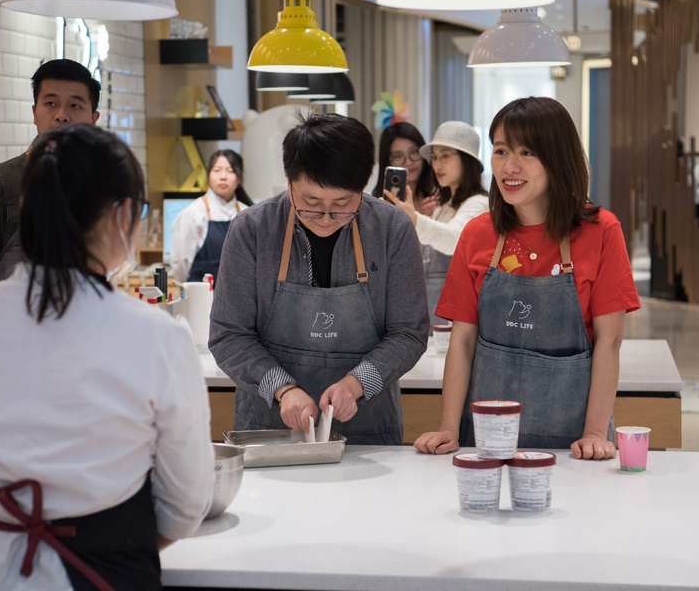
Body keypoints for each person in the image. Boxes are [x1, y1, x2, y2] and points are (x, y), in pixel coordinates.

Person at [0, 124, 214, 590]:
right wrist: (103, 540)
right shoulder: (156, 335)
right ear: (123, 214)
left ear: (26, 208)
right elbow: (185, 504)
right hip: (108, 571)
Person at [414, 97, 640, 460]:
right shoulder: (477, 234)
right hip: (486, 442)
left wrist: (595, 433)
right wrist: (449, 428)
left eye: (527, 152)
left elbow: (609, 342)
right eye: (501, 151)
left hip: (575, 445)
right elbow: (463, 341)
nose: (509, 166)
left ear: (558, 159)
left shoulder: (601, 230)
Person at [209, 112, 429, 445]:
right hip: (270, 433)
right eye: (310, 203)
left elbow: (409, 332)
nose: (326, 218)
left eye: (343, 204)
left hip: (367, 435)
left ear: (362, 188)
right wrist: (282, 388)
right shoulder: (252, 230)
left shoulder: (393, 229)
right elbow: (228, 335)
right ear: (289, 183)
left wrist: (356, 384)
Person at [0, 59, 101, 296]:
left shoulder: (102, 185)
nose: (61, 115)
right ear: (35, 113)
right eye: (51, 103)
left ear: (93, 119)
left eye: (75, 106)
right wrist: (1, 315)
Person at [382, 121, 489, 326]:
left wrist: (414, 218)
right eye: (435, 157)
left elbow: (455, 239)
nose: (437, 165)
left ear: (467, 160)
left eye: (445, 156)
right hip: (435, 318)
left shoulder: (479, 203)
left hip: (457, 320)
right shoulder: (444, 207)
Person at [169, 149, 253, 282]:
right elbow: (180, 264)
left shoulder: (248, 215)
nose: (223, 176)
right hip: (201, 294)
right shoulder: (192, 214)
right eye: (217, 170)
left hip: (239, 294)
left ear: (239, 177)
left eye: (230, 171)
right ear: (208, 175)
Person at [371, 122, 435, 211]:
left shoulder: (438, 194)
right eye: (398, 156)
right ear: (387, 161)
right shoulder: (378, 205)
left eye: (413, 152)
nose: (408, 162)